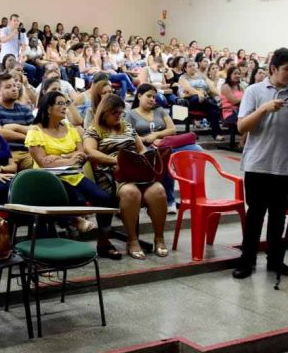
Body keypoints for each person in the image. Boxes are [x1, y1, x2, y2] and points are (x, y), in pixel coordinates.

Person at [232, 48, 288, 279]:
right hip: (258, 163)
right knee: (255, 215)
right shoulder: (254, 91)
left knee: (278, 216)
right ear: (273, 69)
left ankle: (275, 261)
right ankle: (247, 261)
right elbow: (242, 127)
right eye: (286, 69)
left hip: (286, 165)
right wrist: (264, 109)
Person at [26, 91, 120, 258]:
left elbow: (82, 154)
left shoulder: (69, 128)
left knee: (104, 199)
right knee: (76, 199)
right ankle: (71, 222)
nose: (65, 107)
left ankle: (104, 241)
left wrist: (60, 158)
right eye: (60, 103)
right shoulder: (35, 130)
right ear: (48, 108)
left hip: (73, 175)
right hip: (47, 179)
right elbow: (43, 162)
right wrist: (70, 158)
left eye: (66, 103)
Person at [84, 94, 168, 260]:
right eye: (115, 113)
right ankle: (132, 240)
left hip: (136, 171)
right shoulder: (94, 131)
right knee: (131, 192)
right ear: (104, 112)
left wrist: (145, 158)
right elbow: (90, 152)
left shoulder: (127, 127)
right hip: (112, 175)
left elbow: (141, 148)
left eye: (121, 113)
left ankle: (159, 238)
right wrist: (115, 160)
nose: (119, 116)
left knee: (158, 190)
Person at [126, 84, 202, 213]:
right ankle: (170, 200)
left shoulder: (159, 110)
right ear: (139, 96)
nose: (152, 99)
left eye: (154, 97)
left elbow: (172, 129)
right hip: (146, 148)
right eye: (148, 96)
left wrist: (157, 135)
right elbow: (129, 135)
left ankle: (193, 194)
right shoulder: (131, 114)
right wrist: (146, 139)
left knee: (197, 149)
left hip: (166, 144)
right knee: (164, 158)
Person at [0, 73, 34, 171]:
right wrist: (25, 136)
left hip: (27, 154)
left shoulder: (24, 109)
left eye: (15, 86)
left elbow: (36, 132)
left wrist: (14, 127)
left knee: (41, 173)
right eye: (8, 87)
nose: (14, 89)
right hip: (5, 154)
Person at [179, 60, 223, 141]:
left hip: (205, 100)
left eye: (194, 65)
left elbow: (212, 88)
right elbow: (188, 88)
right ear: (185, 68)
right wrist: (199, 93)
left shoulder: (202, 76)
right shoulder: (183, 77)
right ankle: (215, 106)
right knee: (211, 104)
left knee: (213, 110)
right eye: (190, 66)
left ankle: (216, 134)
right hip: (191, 100)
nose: (192, 67)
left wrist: (222, 96)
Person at [0, 14, 36, 85]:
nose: (16, 22)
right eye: (14, 20)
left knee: (31, 69)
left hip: (17, 59)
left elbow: (24, 44)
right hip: (6, 59)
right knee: (6, 77)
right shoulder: (4, 30)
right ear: (10, 21)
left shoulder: (21, 31)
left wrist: (22, 52)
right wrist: (13, 33)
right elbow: (3, 40)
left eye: (17, 21)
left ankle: (26, 86)